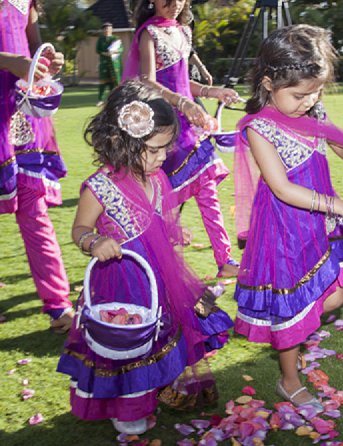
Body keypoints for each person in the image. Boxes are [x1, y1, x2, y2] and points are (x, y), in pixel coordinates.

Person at [56, 80, 233, 435]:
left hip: (158, 279)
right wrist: (93, 241)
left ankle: (149, 393)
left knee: (158, 337)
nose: (163, 157)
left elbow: (157, 220)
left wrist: (171, 232)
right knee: (128, 344)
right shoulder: (100, 186)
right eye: (154, 150)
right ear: (123, 142)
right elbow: (78, 229)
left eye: (166, 148)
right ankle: (128, 407)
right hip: (120, 283)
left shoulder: (159, 179)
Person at [233, 24, 343, 410]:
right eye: (300, 94)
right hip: (282, 229)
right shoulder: (259, 127)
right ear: (268, 83)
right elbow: (282, 188)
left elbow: (341, 146)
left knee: (331, 297)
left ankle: (293, 345)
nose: (309, 100)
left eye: (316, 91)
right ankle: (289, 378)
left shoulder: (313, 112)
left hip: (316, 225)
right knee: (293, 306)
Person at [124, 0, 241, 277]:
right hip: (164, 126)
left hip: (191, 125)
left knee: (207, 188)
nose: (174, 3)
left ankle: (225, 261)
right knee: (166, 200)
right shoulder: (148, 34)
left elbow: (184, 81)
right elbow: (147, 81)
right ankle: (154, 259)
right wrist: (182, 103)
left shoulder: (183, 31)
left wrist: (214, 92)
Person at [0, 0, 73, 332]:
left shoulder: (26, 2)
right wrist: (9, 61)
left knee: (34, 207)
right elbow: (16, 57)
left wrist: (49, 61)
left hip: (21, 112)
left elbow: (34, 47)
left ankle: (59, 305)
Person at [96, 22, 123, 107]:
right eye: (105, 28)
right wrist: (105, 53)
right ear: (103, 30)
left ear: (111, 29)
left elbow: (121, 49)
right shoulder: (101, 39)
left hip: (114, 63)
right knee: (103, 82)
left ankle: (114, 99)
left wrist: (114, 52)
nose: (107, 30)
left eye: (109, 28)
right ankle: (100, 99)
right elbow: (98, 50)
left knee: (115, 81)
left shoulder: (116, 39)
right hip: (104, 62)